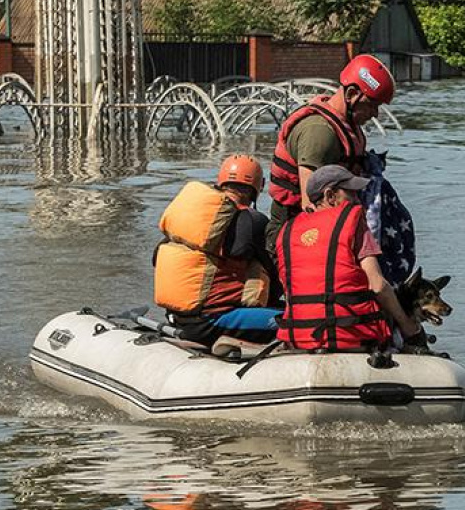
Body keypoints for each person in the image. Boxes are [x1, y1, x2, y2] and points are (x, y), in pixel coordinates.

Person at [276, 165, 426, 353]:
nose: (358, 201)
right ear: (330, 196)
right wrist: (408, 327)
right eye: (352, 194)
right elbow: (378, 285)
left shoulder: (287, 232)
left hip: (300, 337)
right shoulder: (353, 222)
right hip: (351, 335)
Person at [265, 54, 395, 251]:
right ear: (351, 94)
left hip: (328, 224)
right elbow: (311, 205)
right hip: (293, 231)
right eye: (372, 105)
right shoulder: (319, 132)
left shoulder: (348, 126)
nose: (375, 113)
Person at [154, 154, 279, 345]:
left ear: (220, 182)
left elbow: (156, 257)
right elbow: (276, 269)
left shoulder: (195, 217)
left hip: (177, 316)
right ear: (259, 186)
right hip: (213, 321)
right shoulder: (253, 221)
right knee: (299, 321)